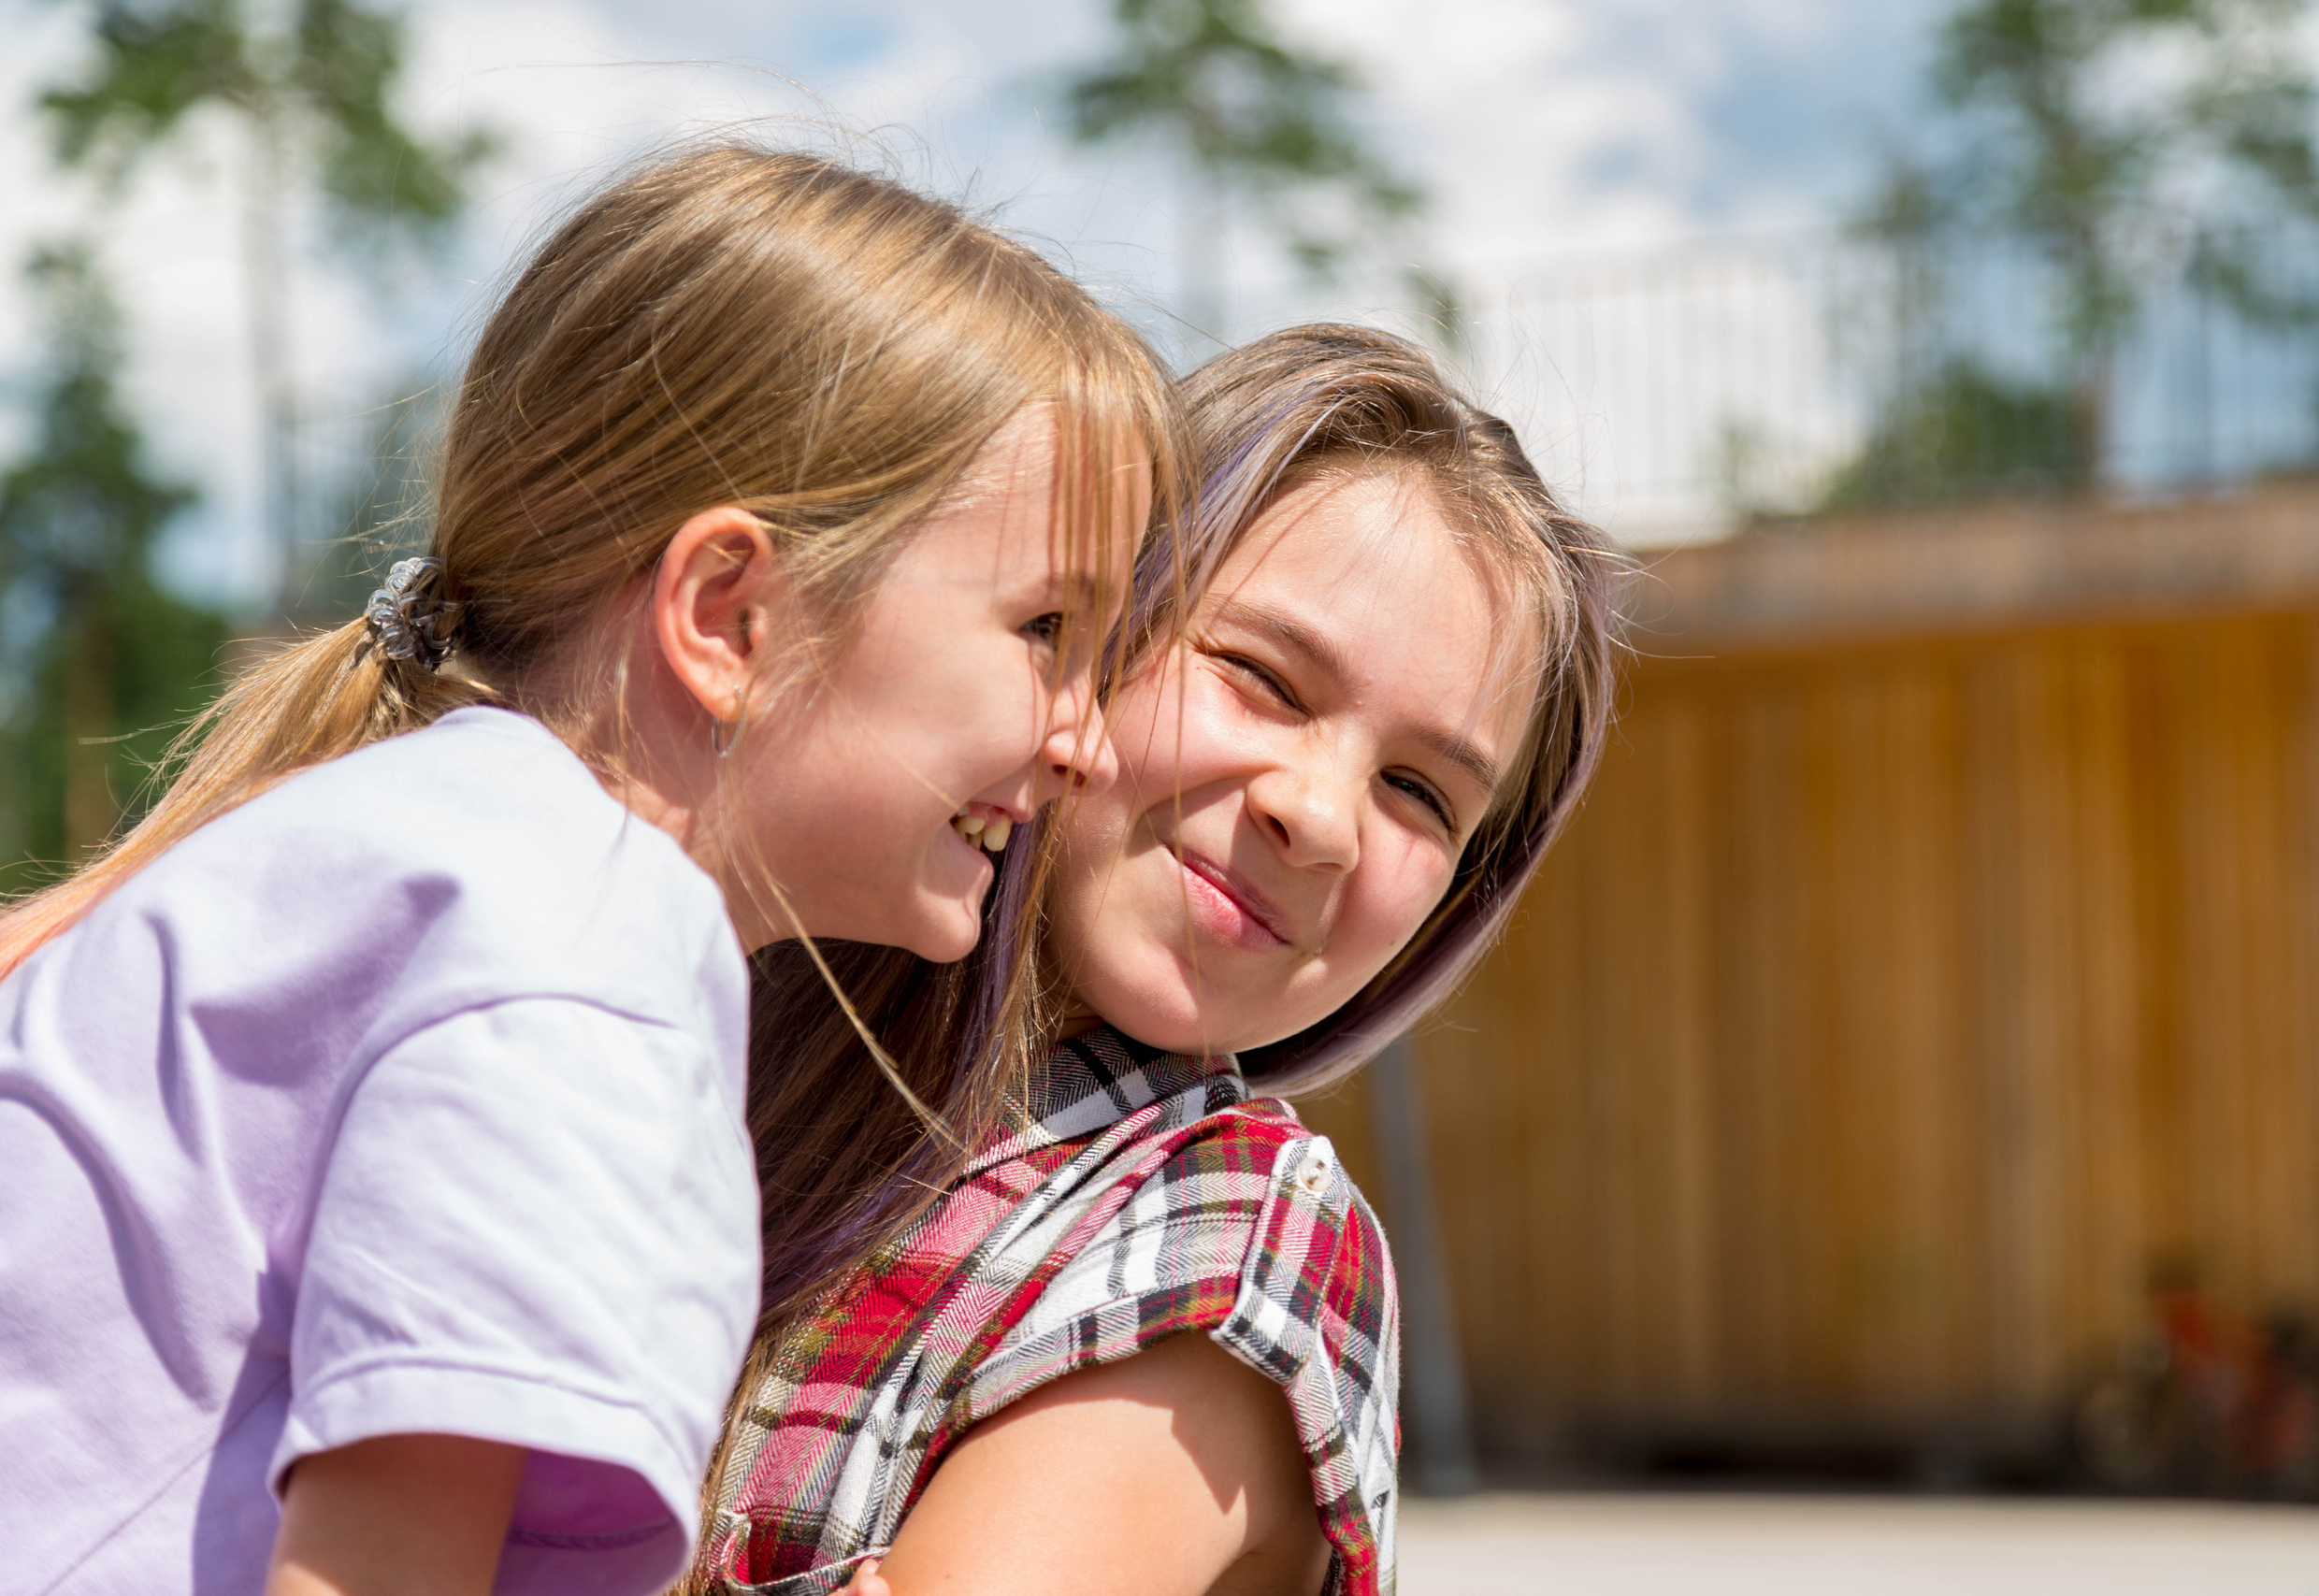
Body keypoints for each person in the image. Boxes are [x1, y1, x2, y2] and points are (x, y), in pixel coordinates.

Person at [0, 142, 1174, 1596]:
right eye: (1046, 631)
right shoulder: (577, 948)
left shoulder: (412, 862)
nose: (1088, 743)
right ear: (729, 616)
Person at [688, 324, 1628, 1595]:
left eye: (1419, 791)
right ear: (1080, 621)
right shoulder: (710, 1014)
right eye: (1263, 678)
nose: (1323, 815)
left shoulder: (1241, 1230)